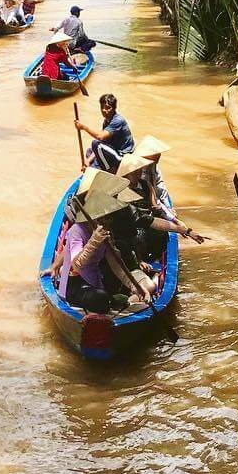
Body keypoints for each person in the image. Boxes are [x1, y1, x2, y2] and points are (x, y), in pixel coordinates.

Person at [42, 170, 147, 312]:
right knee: (101, 298)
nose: (109, 221)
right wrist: (93, 241)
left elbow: (116, 264)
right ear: (97, 217)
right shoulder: (77, 231)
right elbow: (77, 264)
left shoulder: (105, 232)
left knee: (116, 293)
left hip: (94, 279)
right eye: (106, 217)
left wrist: (134, 286)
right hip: (75, 284)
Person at [75, 93, 134, 171]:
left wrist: (83, 127)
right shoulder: (106, 121)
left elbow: (100, 137)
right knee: (90, 151)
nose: (104, 110)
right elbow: (103, 141)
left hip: (123, 155)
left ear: (114, 108)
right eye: (102, 107)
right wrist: (88, 161)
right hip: (114, 150)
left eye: (107, 108)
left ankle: (108, 170)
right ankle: (96, 166)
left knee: (96, 144)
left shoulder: (118, 120)